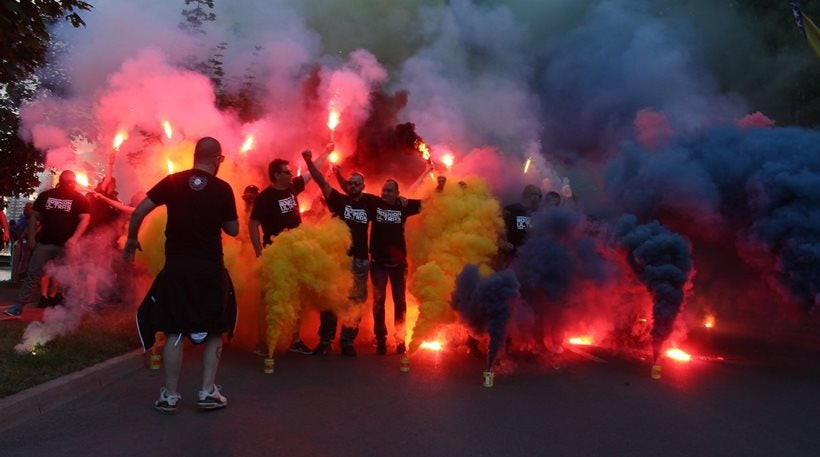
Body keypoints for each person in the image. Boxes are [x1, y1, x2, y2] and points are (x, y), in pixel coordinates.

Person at [127, 137, 238, 414]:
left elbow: (140, 210)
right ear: (217, 159)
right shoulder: (223, 188)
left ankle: (169, 396)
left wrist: (131, 239)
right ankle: (206, 392)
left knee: (175, 329)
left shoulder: (173, 181)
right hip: (209, 269)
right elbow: (233, 230)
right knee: (213, 328)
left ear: (194, 156)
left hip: (176, 267)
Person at [302, 147, 379, 357]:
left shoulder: (370, 202)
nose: (353, 186)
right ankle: (325, 340)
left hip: (360, 261)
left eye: (357, 183)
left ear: (363, 186)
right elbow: (320, 181)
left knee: (354, 301)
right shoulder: (339, 200)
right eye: (351, 183)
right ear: (347, 186)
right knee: (330, 299)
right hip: (338, 260)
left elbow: (392, 205)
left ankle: (347, 342)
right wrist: (309, 162)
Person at [249, 153, 321, 355]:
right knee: (270, 298)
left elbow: (309, 176)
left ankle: (295, 340)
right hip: (276, 255)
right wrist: (258, 251)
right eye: (287, 172)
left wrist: (325, 153)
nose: (291, 174)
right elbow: (253, 224)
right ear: (276, 175)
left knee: (297, 296)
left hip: (297, 252)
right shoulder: (265, 197)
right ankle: (263, 342)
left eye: (290, 172)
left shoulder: (291, 188)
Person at [3, 171, 91, 319]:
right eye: (68, 181)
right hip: (45, 242)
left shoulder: (79, 199)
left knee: (71, 276)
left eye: (73, 181)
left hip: (67, 246)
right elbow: (34, 217)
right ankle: (19, 306)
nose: (71, 184)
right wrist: (31, 238)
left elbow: (85, 219)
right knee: (33, 274)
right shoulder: (46, 196)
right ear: (61, 181)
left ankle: (72, 309)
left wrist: (75, 238)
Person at [369, 178, 440, 355]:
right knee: (379, 302)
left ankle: (400, 339)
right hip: (378, 263)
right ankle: (380, 339)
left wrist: (441, 187)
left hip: (398, 264)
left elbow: (428, 203)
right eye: (384, 190)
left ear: (397, 193)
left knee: (400, 302)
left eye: (389, 191)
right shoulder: (374, 204)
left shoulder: (403, 205)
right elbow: (352, 194)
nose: (385, 193)